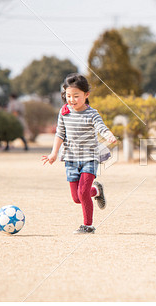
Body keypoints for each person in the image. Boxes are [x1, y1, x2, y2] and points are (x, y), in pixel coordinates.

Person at [42, 73, 117, 234]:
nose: (72, 100)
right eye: (68, 96)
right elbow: (60, 134)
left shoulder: (92, 114)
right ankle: (96, 191)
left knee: (83, 193)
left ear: (86, 95)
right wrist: (53, 153)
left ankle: (88, 225)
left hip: (89, 158)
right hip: (70, 159)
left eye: (76, 96)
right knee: (77, 198)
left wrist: (108, 135)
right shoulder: (64, 112)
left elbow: (101, 127)